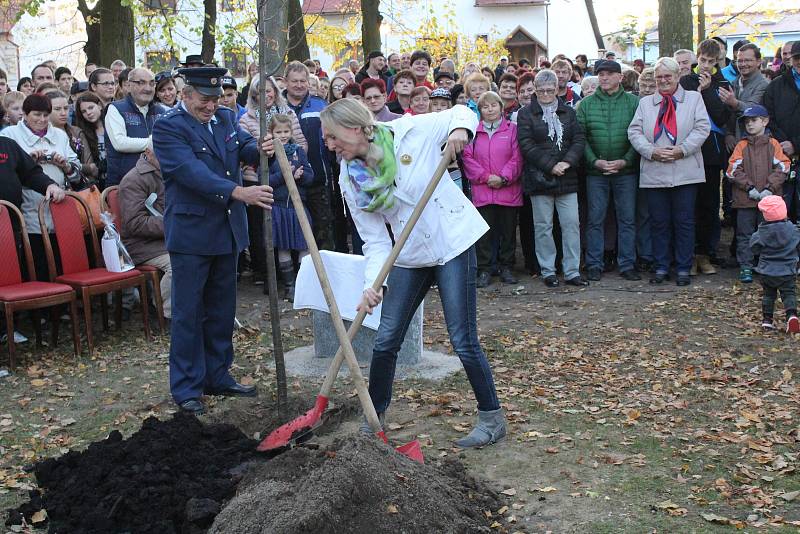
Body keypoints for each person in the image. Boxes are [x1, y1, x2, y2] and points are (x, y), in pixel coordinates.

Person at [320, 97, 506, 448]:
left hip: (451, 243)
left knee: (462, 339)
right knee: (386, 339)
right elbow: (374, 240)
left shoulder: (410, 132)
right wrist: (373, 285)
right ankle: (373, 418)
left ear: (355, 128)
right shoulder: (351, 177)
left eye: (332, 137)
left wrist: (459, 131)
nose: (329, 145)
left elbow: (464, 110)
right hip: (408, 255)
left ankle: (492, 418)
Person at [152, 67, 276, 415]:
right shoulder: (168, 127)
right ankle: (187, 387)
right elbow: (190, 172)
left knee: (221, 311)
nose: (211, 106)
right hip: (192, 235)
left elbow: (240, 145)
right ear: (185, 94)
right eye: (204, 99)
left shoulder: (223, 119)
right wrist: (238, 192)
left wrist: (259, 147)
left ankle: (217, 375)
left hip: (226, 232)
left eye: (216, 99)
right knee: (189, 313)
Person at [628, 57, 711, 286]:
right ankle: (661, 266)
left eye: (668, 76)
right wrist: (651, 151)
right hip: (655, 169)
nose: (663, 80)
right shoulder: (645, 103)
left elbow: (702, 127)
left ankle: (683, 267)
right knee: (659, 221)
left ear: (677, 77)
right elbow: (634, 132)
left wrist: (682, 150)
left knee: (684, 221)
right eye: (659, 77)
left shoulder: (693, 99)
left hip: (685, 170)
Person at [518, 69, 587, 288]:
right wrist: (551, 166)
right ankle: (548, 270)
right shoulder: (526, 114)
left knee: (571, 225)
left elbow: (578, 140)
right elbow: (526, 144)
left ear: (557, 89)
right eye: (541, 91)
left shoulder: (569, 112)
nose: (546, 94)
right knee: (543, 226)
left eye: (550, 90)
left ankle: (572, 270)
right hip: (540, 178)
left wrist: (566, 163)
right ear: (535, 91)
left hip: (567, 177)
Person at [1, 94, 80, 281]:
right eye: (37, 114)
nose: (42, 119)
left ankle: (58, 306)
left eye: (46, 115)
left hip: (57, 204)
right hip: (25, 210)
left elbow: (32, 173)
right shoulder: (9, 135)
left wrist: (61, 171)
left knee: (60, 259)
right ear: (25, 114)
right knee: (33, 261)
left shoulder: (58, 136)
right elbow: (16, 172)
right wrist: (31, 158)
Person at [576, 59, 642, 282]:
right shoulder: (586, 105)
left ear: (620, 77)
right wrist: (594, 161)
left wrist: (626, 160)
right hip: (597, 173)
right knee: (595, 219)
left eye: (609, 74)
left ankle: (627, 264)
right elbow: (580, 138)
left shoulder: (634, 103)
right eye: (600, 74)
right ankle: (594, 263)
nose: (604, 77)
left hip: (626, 172)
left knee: (627, 219)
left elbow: (639, 136)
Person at [239, 74, 307, 284]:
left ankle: (299, 278)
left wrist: (295, 159)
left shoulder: (288, 113)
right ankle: (270, 276)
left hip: (292, 177)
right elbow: (246, 150)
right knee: (264, 231)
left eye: (268, 90)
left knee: (293, 229)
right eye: (260, 91)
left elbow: (301, 140)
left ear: (275, 92)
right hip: (257, 178)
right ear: (253, 95)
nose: (265, 95)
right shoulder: (247, 118)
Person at [680, 38, 733, 275]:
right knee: (689, 204)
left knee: (710, 204)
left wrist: (710, 90)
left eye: (711, 62)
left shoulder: (722, 81)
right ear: (696, 57)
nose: (706, 65)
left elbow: (722, 117)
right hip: (690, 150)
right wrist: (698, 91)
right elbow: (683, 112)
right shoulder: (685, 81)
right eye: (702, 60)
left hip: (712, 152)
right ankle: (688, 253)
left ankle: (706, 252)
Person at [462, 91, 523, 287]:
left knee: (508, 233)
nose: (490, 109)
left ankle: (507, 267)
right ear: (480, 110)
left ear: (501, 107)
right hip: (483, 190)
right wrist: (487, 178)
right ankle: (485, 269)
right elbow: (467, 158)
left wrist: (503, 178)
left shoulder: (512, 130)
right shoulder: (473, 131)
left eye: (493, 105)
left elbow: (517, 157)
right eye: (485, 107)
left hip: (508, 189)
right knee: (484, 235)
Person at [727, 104, 790, 283]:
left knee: (768, 233)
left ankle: (767, 265)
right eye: (746, 121)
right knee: (744, 234)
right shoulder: (741, 145)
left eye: (754, 120)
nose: (750, 125)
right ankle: (746, 266)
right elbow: (732, 170)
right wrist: (749, 187)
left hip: (769, 202)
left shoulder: (773, 144)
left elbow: (784, 167)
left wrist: (769, 189)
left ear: (765, 121)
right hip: (745, 199)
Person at [283, 61, 334, 250]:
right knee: (292, 233)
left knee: (323, 230)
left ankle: (327, 273)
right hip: (284, 182)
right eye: (294, 81)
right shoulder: (277, 106)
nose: (298, 85)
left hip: (317, 178)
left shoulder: (320, 105)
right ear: (285, 81)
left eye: (302, 81)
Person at [118, 148, 172, 322]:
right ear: (148, 153)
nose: (168, 156)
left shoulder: (172, 172)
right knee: (180, 263)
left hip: (168, 239)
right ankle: (166, 313)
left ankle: (196, 309)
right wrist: (175, 224)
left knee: (203, 254)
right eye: (161, 153)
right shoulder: (133, 180)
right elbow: (135, 223)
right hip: (141, 245)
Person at [267, 114, 314, 301]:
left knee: (304, 245)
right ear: (271, 133)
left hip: (298, 205)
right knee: (284, 248)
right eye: (279, 131)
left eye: (286, 131)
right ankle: (290, 287)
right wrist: (287, 175)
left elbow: (311, 177)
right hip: (278, 207)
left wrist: (301, 176)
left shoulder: (299, 151)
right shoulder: (268, 155)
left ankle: (304, 286)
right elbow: (266, 181)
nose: (283, 135)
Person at [104, 68, 168, 187]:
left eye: (152, 83)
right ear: (129, 85)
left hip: (157, 182)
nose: (148, 88)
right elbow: (120, 143)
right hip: (123, 183)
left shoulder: (161, 111)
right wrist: (152, 142)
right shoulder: (115, 109)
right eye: (141, 82)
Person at [749, 196, 800, 332]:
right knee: (789, 293)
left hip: (767, 271)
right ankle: (792, 315)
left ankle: (767, 320)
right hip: (787, 270)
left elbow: (753, 247)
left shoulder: (762, 232)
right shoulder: (793, 230)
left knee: (768, 295)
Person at [764, 41, 800, 222]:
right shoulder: (777, 85)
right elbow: (768, 116)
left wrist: (796, 144)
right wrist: (783, 143)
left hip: (793, 147)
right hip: (782, 155)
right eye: (797, 58)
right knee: (782, 209)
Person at [44, 90, 98, 182]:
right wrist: (84, 168)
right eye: (57, 109)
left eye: (66, 108)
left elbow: (92, 168)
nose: (63, 113)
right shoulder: (42, 135)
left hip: (81, 187)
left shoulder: (76, 132)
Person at [720, 43, 769, 141]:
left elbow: (751, 109)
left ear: (759, 62)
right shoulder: (733, 83)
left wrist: (734, 103)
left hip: (754, 143)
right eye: (740, 61)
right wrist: (728, 134)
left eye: (747, 60)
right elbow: (725, 114)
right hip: (732, 143)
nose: (743, 64)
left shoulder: (764, 85)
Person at [73, 92, 108, 188]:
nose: (88, 113)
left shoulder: (112, 126)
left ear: (99, 106)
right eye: (84, 111)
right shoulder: (83, 134)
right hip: (99, 182)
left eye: (91, 108)